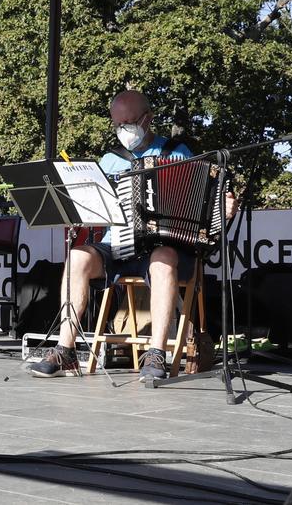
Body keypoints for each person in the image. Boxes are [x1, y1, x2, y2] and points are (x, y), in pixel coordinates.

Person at [28, 90, 235, 381]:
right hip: (118, 248)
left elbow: (203, 200)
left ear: (147, 118)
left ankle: (156, 354)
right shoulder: (110, 160)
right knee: (77, 257)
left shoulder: (177, 153)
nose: (123, 130)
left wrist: (222, 208)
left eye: (129, 122)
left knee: (162, 258)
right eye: (117, 124)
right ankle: (66, 350)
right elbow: (95, 212)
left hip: (165, 249)